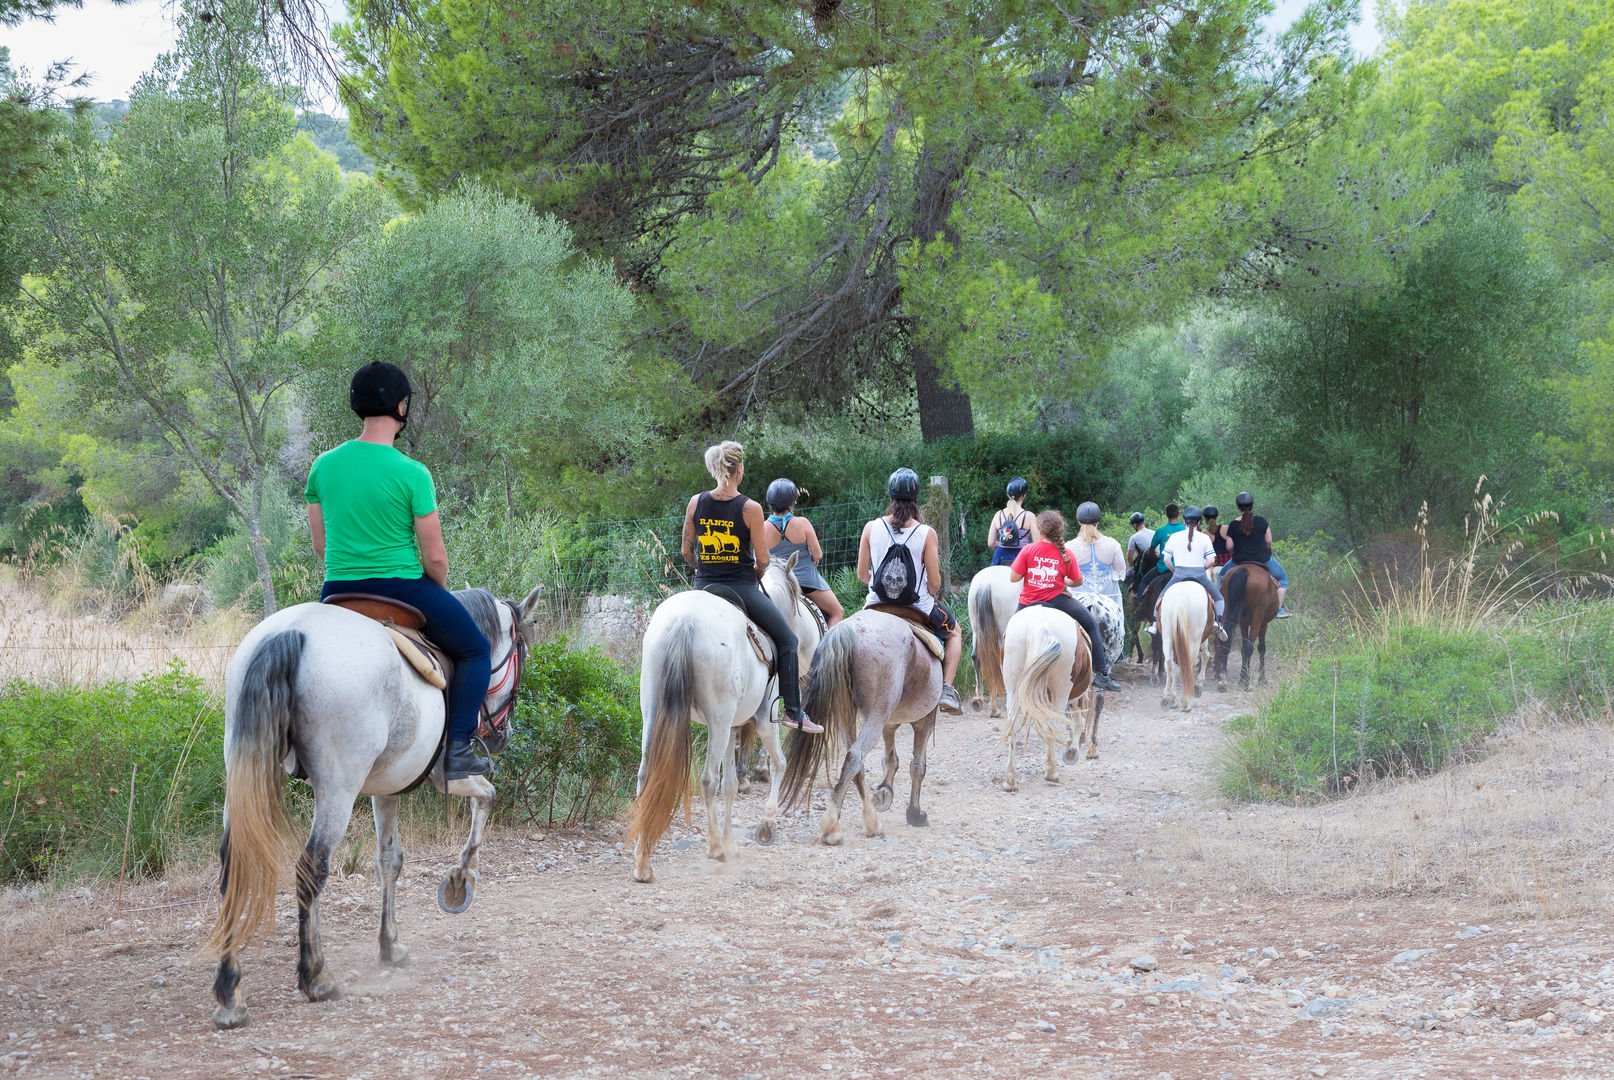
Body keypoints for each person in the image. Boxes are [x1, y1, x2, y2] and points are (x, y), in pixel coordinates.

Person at [306, 362, 493, 780]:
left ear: (358, 405)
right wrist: (439, 591)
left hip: (336, 591)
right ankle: (459, 751)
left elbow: (321, 546)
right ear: (401, 406)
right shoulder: (412, 473)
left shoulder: (323, 466)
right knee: (477, 649)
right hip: (402, 589)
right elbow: (436, 558)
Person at [681, 442, 822, 733]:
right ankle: (793, 711)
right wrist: (756, 573)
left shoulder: (696, 502)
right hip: (741, 588)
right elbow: (764, 559)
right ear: (739, 469)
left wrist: (703, 569)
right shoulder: (750, 508)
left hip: (703, 586)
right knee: (787, 640)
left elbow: (685, 550)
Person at [857, 467, 965, 714]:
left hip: (875, 604)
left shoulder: (871, 528)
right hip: (917, 607)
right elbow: (935, 584)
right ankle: (947, 689)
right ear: (917, 497)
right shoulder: (926, 533)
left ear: (889, 495)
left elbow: (862, 575)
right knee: (956, 633)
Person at [1010, 509, 1122, 692]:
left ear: (1040, 530)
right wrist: (1064, 582)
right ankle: (1102, 674)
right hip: (1058, 600)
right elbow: (1078, 581)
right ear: (1060, 531)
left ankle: (1005, 672)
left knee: (1009, 634)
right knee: (1091, 625)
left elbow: (1013, 578)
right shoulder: (1066, 553)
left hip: (1028, 602)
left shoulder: (1028, 550)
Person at [761, 477, 844, 627]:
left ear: (769, 503)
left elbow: (759, 560)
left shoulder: (762, 528)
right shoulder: (803, 523)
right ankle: (829, 649)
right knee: (837, 612)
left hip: (779, 584)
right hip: (808, 584)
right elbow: (818, 554)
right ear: (793, 502)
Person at [1146, 506, 1228, 641]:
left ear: (1184, 521)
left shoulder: (1174, 537)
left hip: (1179, 574)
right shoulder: (1204, 538)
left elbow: (1166, 559)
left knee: (1161, 598)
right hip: (1200, 575)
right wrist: (1201, 568)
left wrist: (1175, 571)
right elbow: (1211, 560)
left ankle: (1155, 624)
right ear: (1199, 523)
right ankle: (1217, 623)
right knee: (1219, 598)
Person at [1227, 491, 1291, 617]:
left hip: (1239, 560)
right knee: (1283, 579)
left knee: (1221, 577)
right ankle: (1278, 611)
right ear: (1252, 505)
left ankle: (1221, 610)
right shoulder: (1262, 521)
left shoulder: (1233, 525)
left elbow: (1229, 546)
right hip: (1262, 559)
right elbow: (1269, 541)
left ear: (1238, 507)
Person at [1066, 501, 1127, 608]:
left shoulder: (1070, 546)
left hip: (1078, 600)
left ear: (1079, 522)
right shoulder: (1113, 544)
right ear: (1097, 522)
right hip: (1109, 598)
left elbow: (1066, 575)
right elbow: (1119, 573)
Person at [986, 477, 1039, 567]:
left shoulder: (998, 515)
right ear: (1024, 495)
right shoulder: (1029, 516)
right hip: (1021, 557)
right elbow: (1037, 545)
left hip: (1000, 557)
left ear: (1008, 495)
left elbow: (991, 543)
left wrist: (1003, 543)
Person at [1136, 503, 1184, 597]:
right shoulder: (1185, 529)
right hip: (1181, 568)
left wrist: (1156, 556)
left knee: (1144, 580)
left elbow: (1151, 550)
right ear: (1178, 514)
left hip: (1163, 568)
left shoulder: (1160, 531)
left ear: (1166, 515)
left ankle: (1140, 604)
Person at [1124, 512, 1155, 595]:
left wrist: (1133, 567)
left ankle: (1131, 596)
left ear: (1134, 525)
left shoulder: (1134, 537)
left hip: (1144, 567)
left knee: (1125, 577)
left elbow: (1129, 557)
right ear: (1143, 522)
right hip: (1157, 564)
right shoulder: (1154, 533)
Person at [1203, 505, 1232, 576]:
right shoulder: (1226, 528)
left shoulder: (1204, 534)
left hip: (1214, 566)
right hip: (1229, 563)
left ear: (1205, 519)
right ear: (1216, 517)